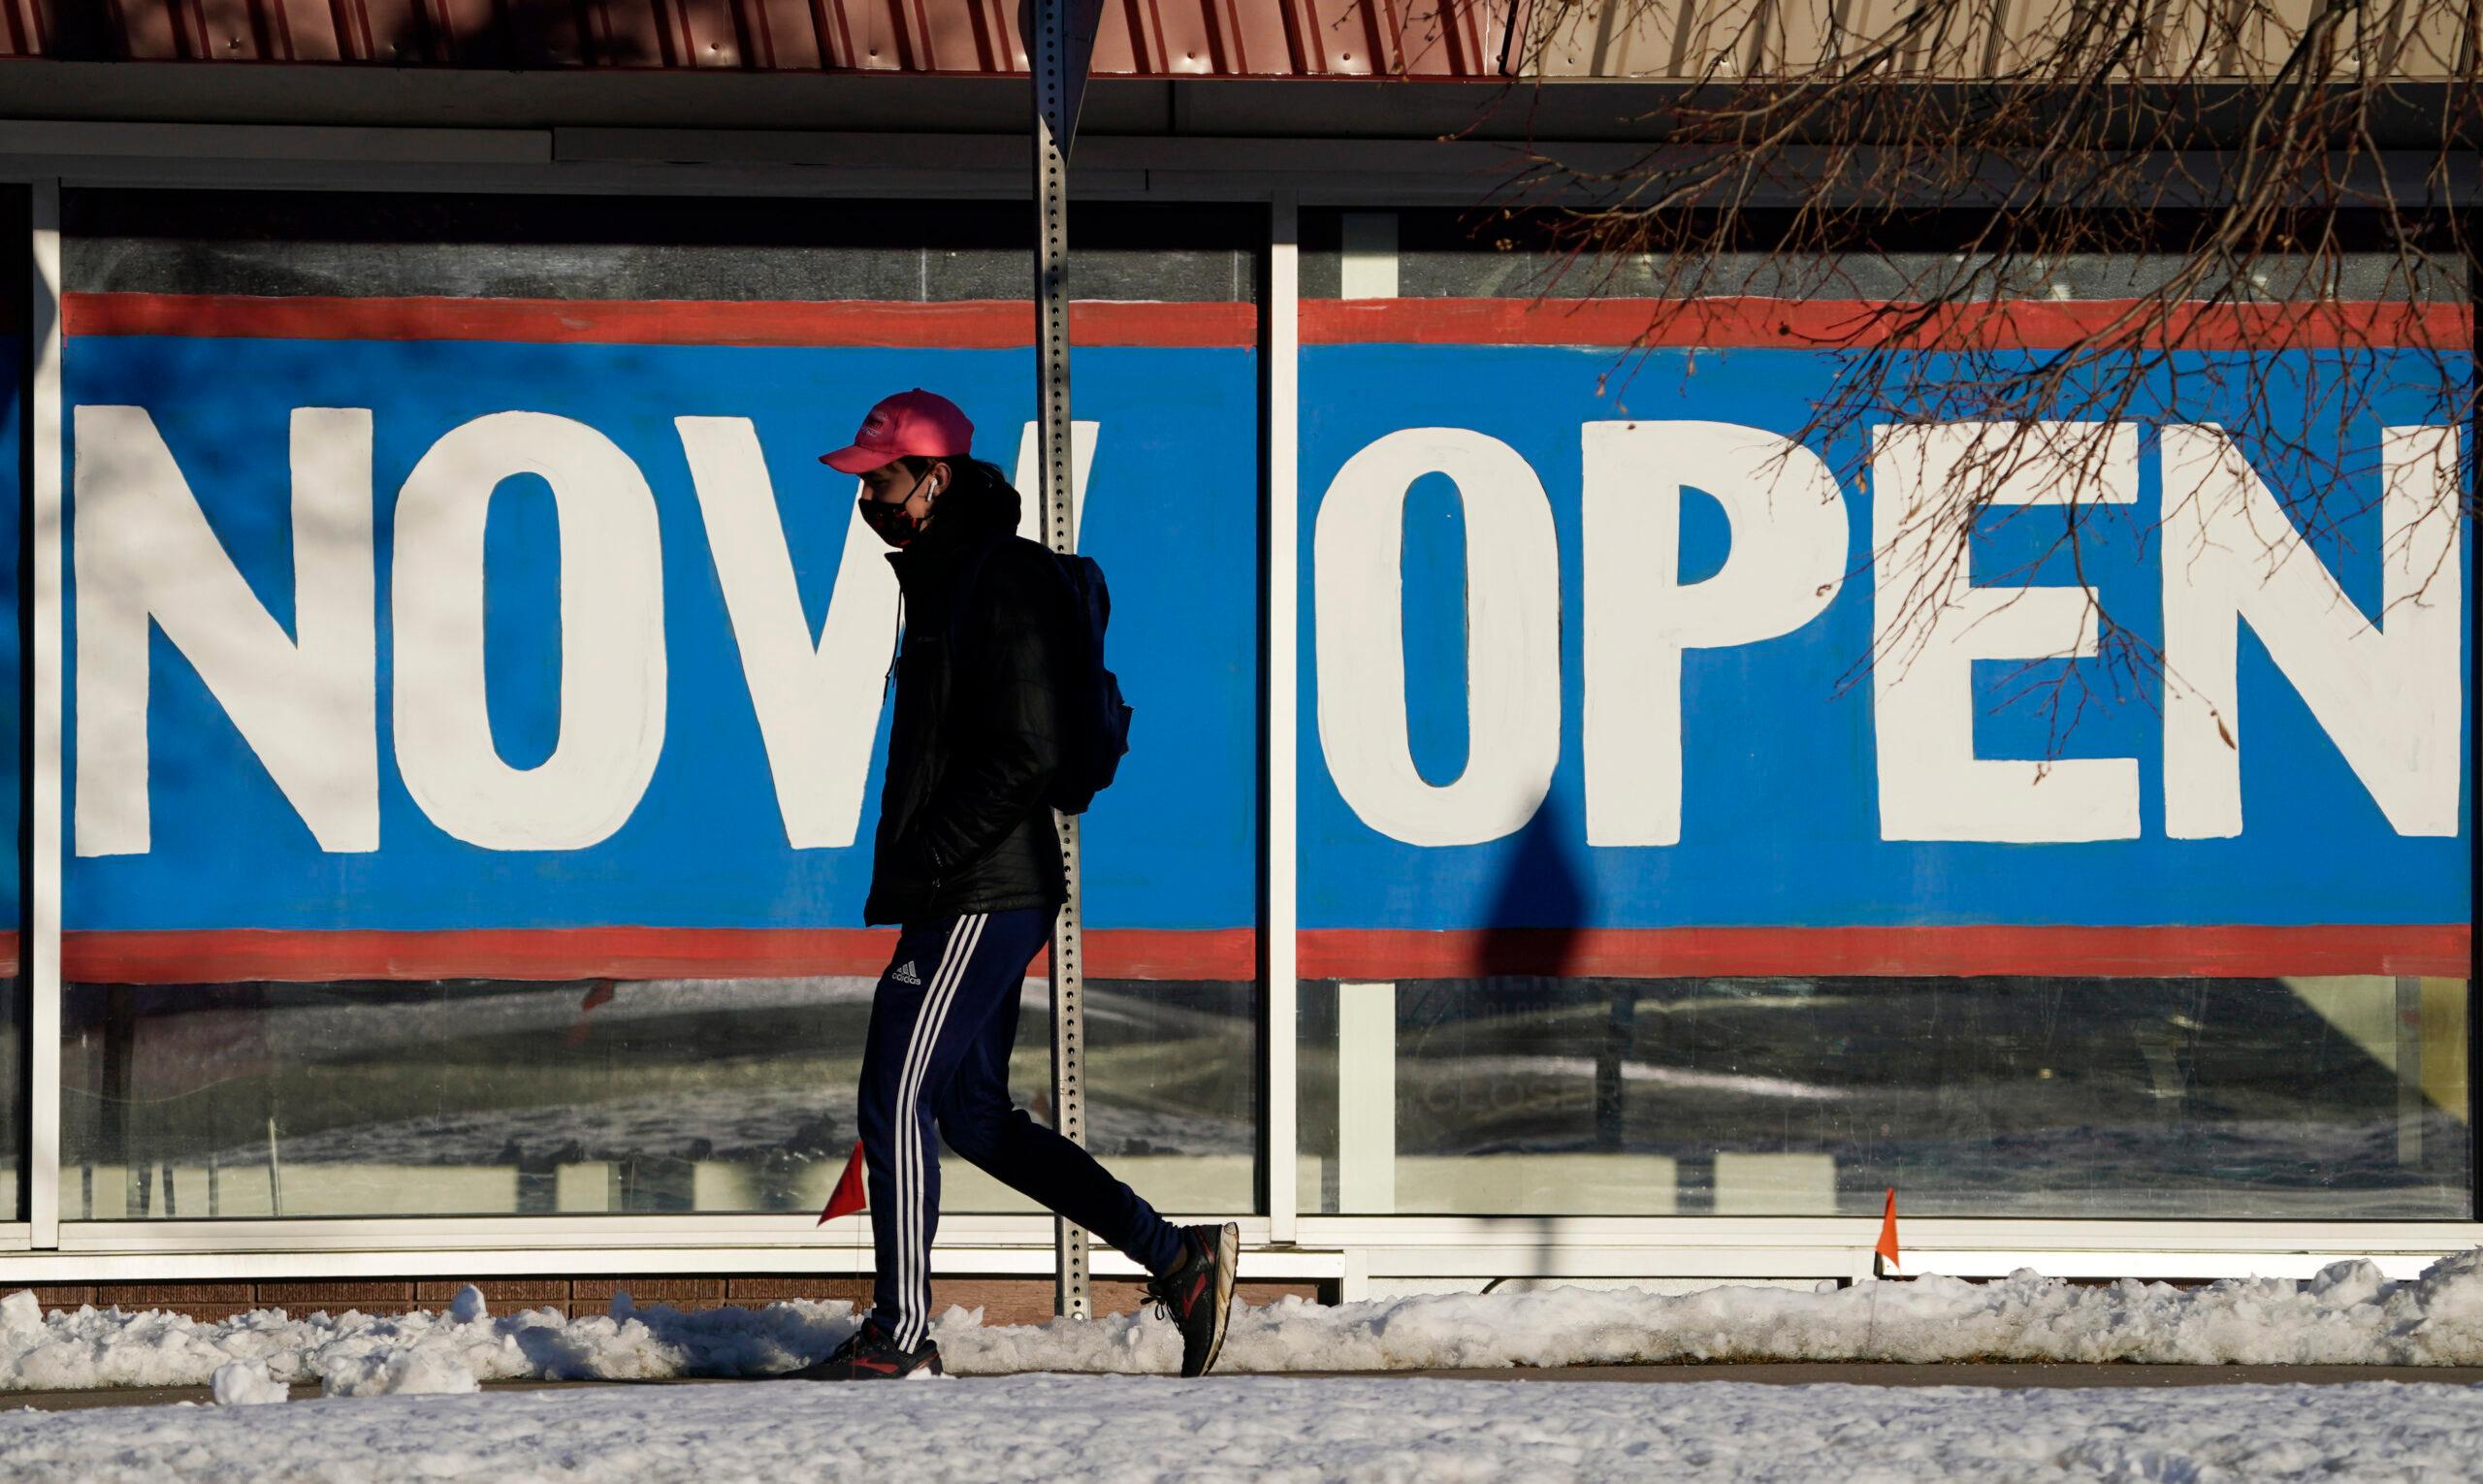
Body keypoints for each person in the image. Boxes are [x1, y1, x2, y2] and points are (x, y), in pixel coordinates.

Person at [790, 388, 1238, 1382]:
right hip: (975, 883)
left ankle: (900, 1337)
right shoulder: (948, 577)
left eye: (882, 481)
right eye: (861, 486)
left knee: (893, 1098)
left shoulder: (1003, 579)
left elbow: (1028, 751)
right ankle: (1176, 1256)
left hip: (979, 887)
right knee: (975, 1117)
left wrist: (934, 856)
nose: (868, 501)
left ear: (936, 476)